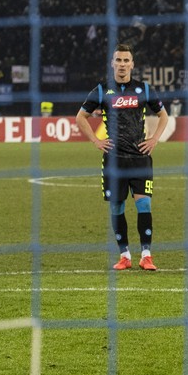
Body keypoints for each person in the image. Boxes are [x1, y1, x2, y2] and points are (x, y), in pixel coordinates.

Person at [75, 43, 169, 271]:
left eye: (127, 61)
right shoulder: (102, 90)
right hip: (114, 160)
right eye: (119, 60)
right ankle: (124, 255)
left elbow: (163, 115)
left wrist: (155, 139)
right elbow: (80, 117)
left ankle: (146, 255)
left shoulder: (144, 90)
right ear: (112, 63)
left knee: (144, 204)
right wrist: (96, 141)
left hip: (140, 157)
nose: (122, 64)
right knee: (117, 207)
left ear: (132, 64)